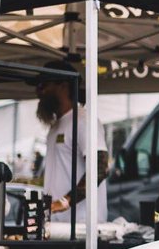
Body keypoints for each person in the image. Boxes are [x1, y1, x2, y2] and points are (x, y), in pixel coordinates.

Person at [35, 61, 108, 222]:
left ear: (63, 86)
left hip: (82, 226)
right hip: (58, 224)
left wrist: (65, 201)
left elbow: (100, 168)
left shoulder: (83, 120)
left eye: (44, 84)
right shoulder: (56, 126)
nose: (39, 91)